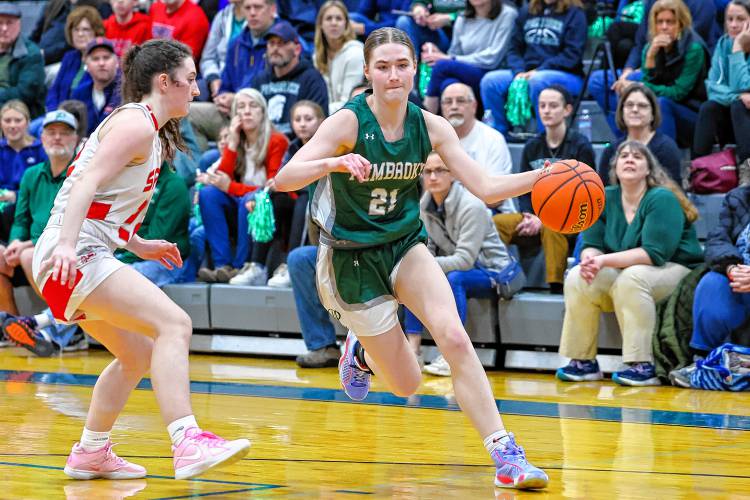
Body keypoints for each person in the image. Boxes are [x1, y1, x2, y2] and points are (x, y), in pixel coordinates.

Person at [274, 27, 549, 490]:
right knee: (407, 384)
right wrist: (334, 164)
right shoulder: (347, 123)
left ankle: (506, 455)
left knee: (455, 340)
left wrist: (543, 175)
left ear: (414, 69)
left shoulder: (431, 125)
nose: (393, 75)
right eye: (382, 66)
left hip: (404, 245)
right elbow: (284, 178)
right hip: (349, 258)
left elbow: (485, 187)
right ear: (367, 72)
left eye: (402, 65)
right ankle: (359, 350)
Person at [30, 39, 249, 481]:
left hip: (73, 252)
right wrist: (69, 246)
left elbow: (102, 204)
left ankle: (90, 451)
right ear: (163, 81)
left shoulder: (144, 129)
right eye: (189, 80)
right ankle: (187, 441)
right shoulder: (137, 124)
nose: (196, 90)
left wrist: (139, 242)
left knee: (138, 355)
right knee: (175, 324)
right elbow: (86, 183)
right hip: (71, 252)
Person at [556, 140, 704, 386]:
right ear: (615, 168)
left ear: (649, 169)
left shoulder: (661, 198)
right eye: (623, 155)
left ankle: (642, 364)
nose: (629, 159)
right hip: (628, 270)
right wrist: (589, 260)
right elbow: (592, 242)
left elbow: (654, 253)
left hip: (678, 270)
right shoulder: (603, 196)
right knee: (577, 277)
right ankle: (583, 361)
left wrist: (602, 260)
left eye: (637, 156)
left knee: (632, 278)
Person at [406, 152, 524, 377]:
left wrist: (424, 267)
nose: (433, 176)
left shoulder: (472, 206)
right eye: (428, 171)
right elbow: (426, 251)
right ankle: (413, 352)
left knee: (454, 278)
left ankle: (452, 356)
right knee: (411, 277)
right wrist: (417, 268)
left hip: (497, 272)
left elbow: (465, 260)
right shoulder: (424, 206)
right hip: (465, 268)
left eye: (440, 170)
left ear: (453, 175)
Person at [493, 85, 595, 293]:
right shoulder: (532, 146)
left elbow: (586, 194)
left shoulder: (580, 145)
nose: (546, 110)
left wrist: (543, 218)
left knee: (553, 224)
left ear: (567, 110)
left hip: (571, 218)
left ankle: (557, 286)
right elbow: (522, 187)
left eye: (553, 106)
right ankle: (498, 273)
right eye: (542, 106)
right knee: (496, 223)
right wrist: (529, 215)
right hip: (534, 216)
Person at [0, 110, 79, 357]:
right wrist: (14, 242)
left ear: (75, 139)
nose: (57, 138)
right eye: (51, 133)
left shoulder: (82, 175)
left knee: (27, 255)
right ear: (41, 138)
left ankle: (66, 326)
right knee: (6, 256)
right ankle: (11, 327)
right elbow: (21, 218)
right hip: (35, 247)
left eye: (64, 134)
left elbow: (76, 224)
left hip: (70, 247)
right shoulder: (32, 175)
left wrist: (24, 246)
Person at [197, 88, 288, 283]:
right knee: (208, 194)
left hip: (266, 205)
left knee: (249, 198)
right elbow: (222, 178)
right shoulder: (237, 140)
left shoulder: (276, 141)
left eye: (253, 106)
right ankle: (223, 266)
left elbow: (272, 187)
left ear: (263, 112)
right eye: (240, 107)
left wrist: (232, 188)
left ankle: (241, 266)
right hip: (240, 204)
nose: (246, 111)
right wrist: (232, 141)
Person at [669, 183, 750, 387]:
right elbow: (717, 240)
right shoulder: (738, 197)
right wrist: (731, 268)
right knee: (711, 283)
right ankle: (703, 361)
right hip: (739, 272)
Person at [479, 0, 587, 135]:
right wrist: (519, 71)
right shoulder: (527, 11)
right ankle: (498, 135)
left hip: (565, 74)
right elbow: (513, 49)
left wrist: (539, 70)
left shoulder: (575, 13)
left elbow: (572, 54)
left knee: (538, 81)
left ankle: (544, 137)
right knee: (490, 81)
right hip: (526, 72)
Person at [188, 0, 277, 150]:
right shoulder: (237, 42)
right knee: (188, 113)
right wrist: (222, 96)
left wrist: (237, 99)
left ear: (272, 9)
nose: (252, 13)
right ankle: (197, 170)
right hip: (232, 112)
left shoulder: (279, 43)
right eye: (248, 8)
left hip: (263, 116)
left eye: (258, 7)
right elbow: (225, 80)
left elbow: (275, 89)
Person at [265, 99, 327, 288]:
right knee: (269, 200)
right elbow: (283, 176)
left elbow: (320, 180)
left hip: (322, 199)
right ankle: (258, 265)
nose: (302, 123)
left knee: (304, 200)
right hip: (297, 194)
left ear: (321, 121)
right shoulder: (292, 146)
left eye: (308, 119)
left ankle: (291, 263)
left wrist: (290, 183)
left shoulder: (327, 145)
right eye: (297, 119)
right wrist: (274, 185)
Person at [421, 0, 517, 116]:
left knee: (441, 65)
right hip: (466, 71)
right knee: (449, 83)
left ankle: (424, 120)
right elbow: (454, 52)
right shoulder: (463, 17)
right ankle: (449, 129)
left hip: (491, 71)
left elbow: (492, 58)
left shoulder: (507, 14)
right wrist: (440, 54)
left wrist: (449, 58)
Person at [692, 0, 750, 171]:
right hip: (734, 116)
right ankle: (698, 169)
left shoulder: (733, 44)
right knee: (709, 107)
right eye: (729, 19)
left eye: (740, 19)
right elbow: (713, 87)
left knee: (739, 106)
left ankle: (747, 169)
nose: (733, 25)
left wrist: (738, 49)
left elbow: (744, 85)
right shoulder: (723, 43)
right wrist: (737, 95)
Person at [440, 83, 515, 214]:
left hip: (492, 214)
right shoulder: (436, 139)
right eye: (448, 102)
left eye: (461, 101)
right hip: (445, 212)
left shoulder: (493, 138)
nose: (454, 106)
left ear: (474, 106)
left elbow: (496, 198)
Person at [251, 20, 329, 137]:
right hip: (264, 144)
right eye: (271, 43)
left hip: (297, 147)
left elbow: (317, 124)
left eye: (281, 43)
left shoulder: (312, 79)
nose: (275, 49)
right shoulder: (260, 80)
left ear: (297, 49)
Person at [598, 83, 682, 184]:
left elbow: (675, 194)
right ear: (621, 112)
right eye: (629, 105)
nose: (635, 110)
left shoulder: (666, 149)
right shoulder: (611, 151)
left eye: (642, 106)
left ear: (652, 114)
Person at [0, 100, 46, 237]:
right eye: (7, 120)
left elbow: (44, 188)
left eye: (17, 120)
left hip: (31, 207)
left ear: (27, 122)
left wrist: (16, 196)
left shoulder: (40, 150)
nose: (12, 125)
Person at [46, 6, 103, 113]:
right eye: (76, 29)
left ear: (96, 31)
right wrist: (53, 112)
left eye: (85, 29)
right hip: (59, 116)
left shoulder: (101, 60)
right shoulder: (69, 57)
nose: (80, 34)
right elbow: (54, 90)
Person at [314, 1, 365, 114]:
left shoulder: (355, 53)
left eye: (338, 18)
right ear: (320, 25)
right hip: (324, 117)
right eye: (329, 18)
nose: (334, 23)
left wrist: (316, 112)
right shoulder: (316, 56)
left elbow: (349, 102)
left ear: (346, 24)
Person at [0, 3, 46, 119]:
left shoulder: (31, 53)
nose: (4, 28)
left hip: (21, 115)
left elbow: (25, 94)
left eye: (9, 23)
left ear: (19, 25)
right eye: (0, 23)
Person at [71, 38, 122, 135]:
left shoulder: (126, 92)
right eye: (95, 59)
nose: (101, 63)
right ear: (87, 65)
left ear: (117, 62)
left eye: (106, 57)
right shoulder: (78, 94)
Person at [199, 0, 246, 99]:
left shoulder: (258, 19)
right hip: (220, 79)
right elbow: (208, 58)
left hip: (246, 84)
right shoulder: (221, 16)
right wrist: (214, 79)